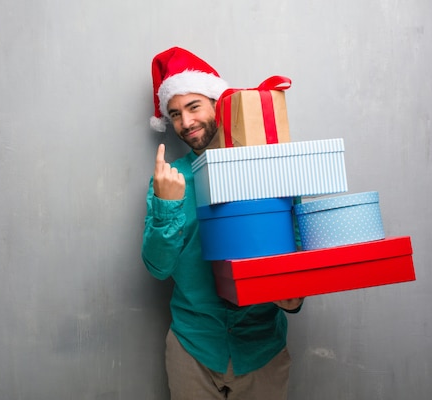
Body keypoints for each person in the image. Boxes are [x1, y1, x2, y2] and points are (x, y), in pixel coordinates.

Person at [141, 47, 304, 400]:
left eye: (194, 107)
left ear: (218, 103)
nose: (185, 123)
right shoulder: (169, 178)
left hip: (262, 349)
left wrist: (293, 295)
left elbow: (296, 245)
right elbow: (157, 268)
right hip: (193, 348)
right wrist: (166, 205)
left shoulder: (270, 165)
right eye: (175, 114)